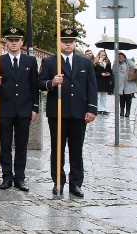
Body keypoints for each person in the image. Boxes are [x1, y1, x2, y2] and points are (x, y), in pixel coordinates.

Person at [39, 27, 97, 197]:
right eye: (65, 41)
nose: (68, 44)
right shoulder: (50, 62)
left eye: (71, 41)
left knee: (76, 149)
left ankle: (76, 183)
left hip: (79, 113)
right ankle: (58, 182)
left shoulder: (85, 63)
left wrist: (91, 109)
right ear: (59, 43)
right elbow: (39, 83)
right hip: (58, 113)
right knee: (57, 149)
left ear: (74, 43)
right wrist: (52, 82)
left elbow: (91, 87)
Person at [0, 26, 39, 192]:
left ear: (22, 42)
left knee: (21, 145)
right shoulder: (0, 60)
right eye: (10, 40)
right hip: (5, 108)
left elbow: (34, 86)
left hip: (24, 109)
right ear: (6, 42)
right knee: (5, 145)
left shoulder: (30, 61)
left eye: (16, 40)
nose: (13, 43)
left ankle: (20, 178)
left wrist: (35, 108)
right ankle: (7, 177)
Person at [114, 52, 137, 117]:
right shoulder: (116, 63)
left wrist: (130, 71)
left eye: (121, 56)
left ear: (124, 56)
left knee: (128, 97)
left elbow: (135, 67)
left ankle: (128, 111)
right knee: (121, 97)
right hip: (120, 83)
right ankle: (122, 110)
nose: (120, 58)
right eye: (119, 57)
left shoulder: (128, 61)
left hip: (128, 82)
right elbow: (114, 72)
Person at [93, 50, 112, 115]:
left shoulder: (108, 63)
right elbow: (94, 73)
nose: (104, 56)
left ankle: (103, 109)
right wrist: (101, 74)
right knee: (98, 96)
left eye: (105, 55)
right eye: (102, 55)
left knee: (104, 96)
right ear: (99, 55)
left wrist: (108, 73)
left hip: (106, 81)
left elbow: (110, 71)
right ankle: (98, 109)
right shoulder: (95, 63)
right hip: (98, 81)